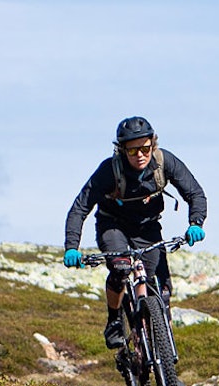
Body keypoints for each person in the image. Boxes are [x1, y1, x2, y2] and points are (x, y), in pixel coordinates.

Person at [63, 116, 208, 349]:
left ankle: (168, 362)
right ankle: (114, 321)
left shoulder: (164, 162)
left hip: (147, 226)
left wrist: (196, 223)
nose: (139, 155)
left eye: (144, 148)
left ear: (153, 144)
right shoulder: (109, 171)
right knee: (121, 268)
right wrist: (72, 247)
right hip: (113, 226)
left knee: (162, 291)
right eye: (132, 151)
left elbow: (195, 194)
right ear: (122, 150)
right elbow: (80, 208)